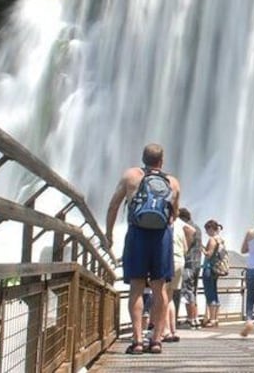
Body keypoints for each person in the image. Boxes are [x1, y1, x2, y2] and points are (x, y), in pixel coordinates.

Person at [105, 143, 181, 355]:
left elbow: (113, 206)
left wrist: (109, 234)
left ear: (143, 159)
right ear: (161, 161)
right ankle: (156, 340)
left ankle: (137, 340)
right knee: (160, 289)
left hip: (137, 234)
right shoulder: (173, 182)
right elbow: (174, 214)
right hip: (161, 237)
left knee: (137, 288)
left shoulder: (131, 176)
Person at [162, 215, 194, 342]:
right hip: (180, 260)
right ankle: (172, 329)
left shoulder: (164, 221)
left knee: (161, 295)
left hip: (167, 260)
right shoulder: (180, 224)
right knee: (169, 297)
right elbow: (192, 232)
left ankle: (164, 331)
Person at [179, 208, 203, 329]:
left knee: (188, 290)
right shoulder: (197, 227)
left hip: (188, 263)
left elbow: (185, 247)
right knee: (193, 291)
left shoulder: (186, 228)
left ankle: (191, 319)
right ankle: (196, 319)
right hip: (198, 263)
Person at [202, 219, 225, 327]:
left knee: (209, 293)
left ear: (211, 228)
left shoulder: (212, 240)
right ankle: (215, 318)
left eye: (207, 230)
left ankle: (211, 319)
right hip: (216, 269)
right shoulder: (220, 239)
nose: (206, 232)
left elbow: (208, 254)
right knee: (215, 293)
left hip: (209, 268)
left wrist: (202, 248)